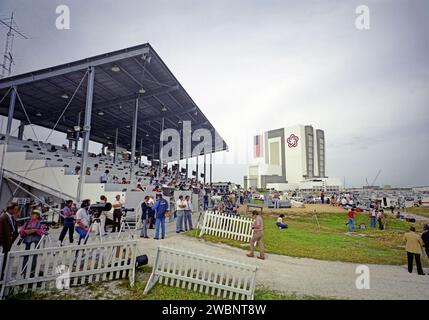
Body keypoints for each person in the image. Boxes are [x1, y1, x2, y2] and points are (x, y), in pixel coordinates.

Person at [19, 210, 46, 276]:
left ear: (38, 216)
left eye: (34, 214)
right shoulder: (27, 222)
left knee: (34, 255)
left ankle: (32, 270)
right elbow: (21, 231)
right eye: (32, 214)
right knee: (26, 255)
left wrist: (35, 230)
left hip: (36, 240)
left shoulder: (41, 222)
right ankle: (24, 270)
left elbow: (43, 231)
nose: (32, 215)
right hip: (27, 240)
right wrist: (27, 231)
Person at [0, 202, 20, 279]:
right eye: (16, 209)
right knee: (2, 260)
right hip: (4, 244)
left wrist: (11, 241)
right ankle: (1, 276)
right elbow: (0, 233)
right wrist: (3, 244)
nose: (17, 211)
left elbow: (15, 231)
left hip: (8, 243)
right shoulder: (3, 218)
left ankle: (2, 275)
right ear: (10, 209)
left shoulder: (12, 218)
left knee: (5, 260)